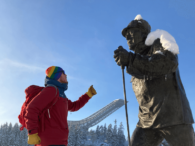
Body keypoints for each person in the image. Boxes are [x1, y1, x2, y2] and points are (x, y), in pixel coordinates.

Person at [114, 14, 195, 146]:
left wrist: (131, 59)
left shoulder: (160, 42)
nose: (127, 37)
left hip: (173, 119)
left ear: (144, 33)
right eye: (126, 35)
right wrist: (129, 62)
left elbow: (168, 62)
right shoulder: (136, 59)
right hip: (146, 122)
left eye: (131, 33)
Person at [24, 66, 97, 146]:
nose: (66, 75)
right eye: (63, 73)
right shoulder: (51, 90)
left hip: (59, 141)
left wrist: (88, 95)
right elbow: (32, 108)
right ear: (57, 76)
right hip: (50, 141)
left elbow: (74, 106)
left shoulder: (61, 95)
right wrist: (32, 132)